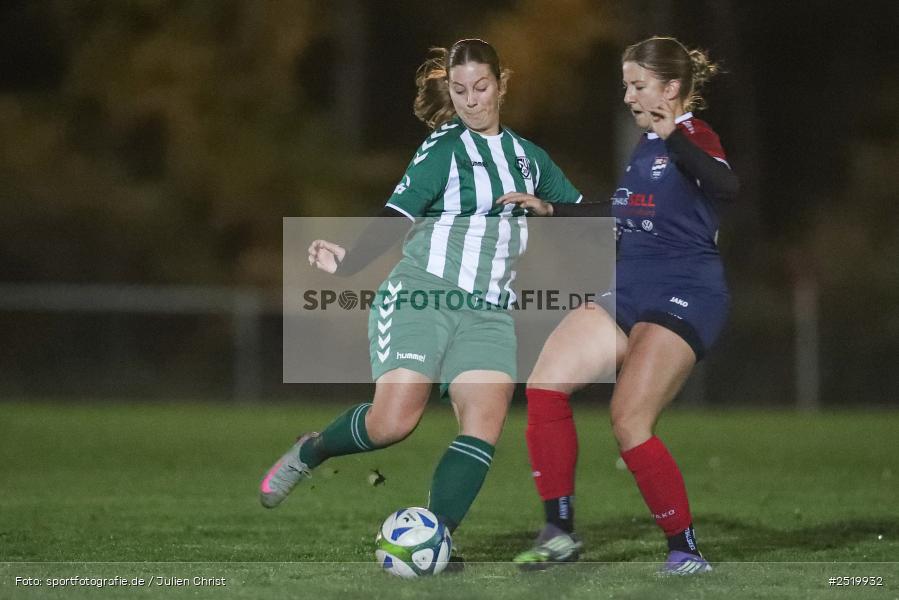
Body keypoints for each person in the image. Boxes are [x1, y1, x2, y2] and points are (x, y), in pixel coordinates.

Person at [260, 39, 583, 545]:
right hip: (423, 295)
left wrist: (560, 210)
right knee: (393, 423)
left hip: (489, 313)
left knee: (484, 422)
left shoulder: (530, 158)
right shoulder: (445, 147)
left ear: (502, 84)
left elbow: (593, 214)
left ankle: (435, 538)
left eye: (481, 87)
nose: (471, 100)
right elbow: (397, 217)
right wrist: (349, 266)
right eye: (459, 90)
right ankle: (314, 450)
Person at [499, 36, 739, 575]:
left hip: (686, 292)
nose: (628, 96)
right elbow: (625, 213)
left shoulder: (692, 135)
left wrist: (673, 132)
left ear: (670, 89)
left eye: (638, 85)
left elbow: (727, 185)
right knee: (544, 385)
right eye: (626, 85)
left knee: (629, 421)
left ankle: (685, 550)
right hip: (629, 288)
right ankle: (559, 532)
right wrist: (550, 209)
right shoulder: (648, 147)